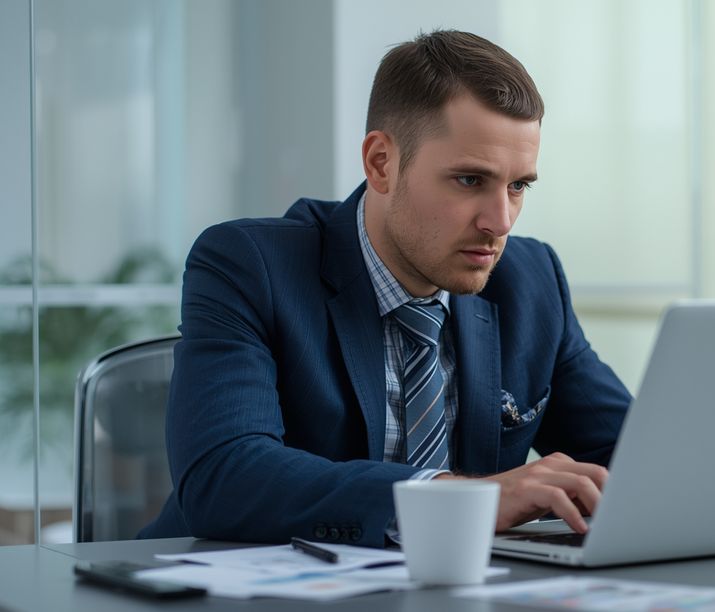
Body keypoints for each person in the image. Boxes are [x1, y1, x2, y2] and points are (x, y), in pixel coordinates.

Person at [139, 30, 631, 547]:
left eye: (518, 185)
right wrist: (462, 500)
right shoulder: (251, 265)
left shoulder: (532, 282)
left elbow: (640, 458)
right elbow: (224, 478)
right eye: (469, 181)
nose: (500, 220)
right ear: (381, 163)